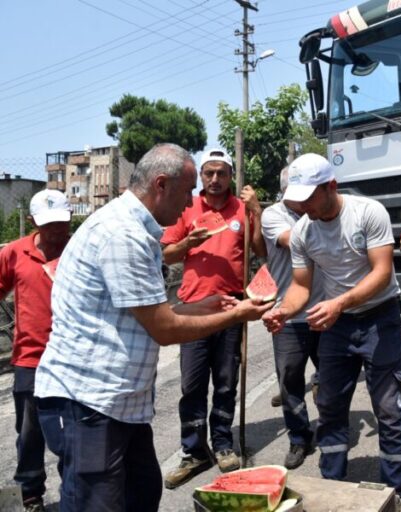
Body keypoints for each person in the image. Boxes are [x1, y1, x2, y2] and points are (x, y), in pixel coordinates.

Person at [33, 143, 273, 512]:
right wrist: (237, 315)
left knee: (142, 494)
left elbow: (141, 311)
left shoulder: (138, 230)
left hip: (122, 405)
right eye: (188, 189)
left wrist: (200, 306)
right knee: (96, 504)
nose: (190, 200)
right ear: (161, 184)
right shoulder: (123, 235)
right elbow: (163, 328)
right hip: (91, 403)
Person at [262, 153, 401, 511]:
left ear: (331, 186)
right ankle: (331, 484)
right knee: (329, 405)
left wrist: (338, 304)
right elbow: (300, 286)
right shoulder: (302, 231)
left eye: (308, 196)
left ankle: (398, 491)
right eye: (296, 198)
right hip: (337, 325)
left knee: (388, 408)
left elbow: (382, 272)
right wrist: (283, 310)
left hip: (379, 318)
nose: (301, 205)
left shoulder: (367, 212)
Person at [161, 148, 266, 488]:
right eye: (209, 173)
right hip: (193, 307)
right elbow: (167, 253)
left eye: (221, 173)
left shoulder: (242, 207)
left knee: (225, 381)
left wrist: (256, 212)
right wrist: (188, 243)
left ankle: (222, 443)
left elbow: (260, 251)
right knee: (192, 384)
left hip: (232, 307)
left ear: (230, 176)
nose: (215, 179)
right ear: (201, 176)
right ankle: (193, 451)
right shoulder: (187, 208)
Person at [0, 190, 71, 512]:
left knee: (75, 429)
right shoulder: (14, 253)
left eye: (62, 223)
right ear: (33, 223)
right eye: (49, 225)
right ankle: (30, 495)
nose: (57, 231)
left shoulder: (78, 250)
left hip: (74, 358)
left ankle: (75, 489)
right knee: (29, 434)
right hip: (30, 359)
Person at [261, 166, 322, 469]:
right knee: (290, 380)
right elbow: (291, 240)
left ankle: (331, 425)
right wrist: (326, 221)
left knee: (331, 376)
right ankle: (299, 437)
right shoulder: (272, 215)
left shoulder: (318, 212)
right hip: (288, 313)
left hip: (325, 310)